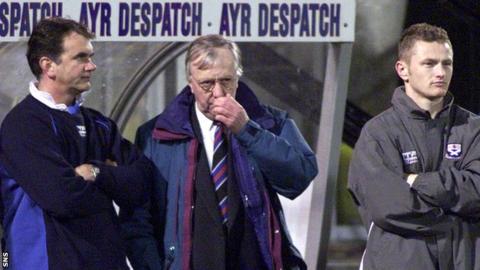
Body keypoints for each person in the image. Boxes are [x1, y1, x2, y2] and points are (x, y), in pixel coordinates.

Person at [119, 34, 318, 270]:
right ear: (190, 83)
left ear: (238, 76)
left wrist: (247, 130)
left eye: (226, 81)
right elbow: (137, 220)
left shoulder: (270, 122)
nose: (219, 93)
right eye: (207, 84)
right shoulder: (155, 135)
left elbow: (300, 176)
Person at [0, 17, 153, 270]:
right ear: (48, 65)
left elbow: (143, 183)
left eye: (90, 56)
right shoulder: (23, 125)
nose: (92, 66)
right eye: (81, 57)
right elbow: (63, 197)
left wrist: (96, 172)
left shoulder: (99, 124)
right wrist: (114, 184)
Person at [348, 23, 480, 269]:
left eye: (447, 63)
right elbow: (389, 207)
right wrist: (457, 217)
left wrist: (416, 182)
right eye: (429, 64)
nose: (440, 72)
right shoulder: (378, 134)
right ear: (403, 69)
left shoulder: (474, 129)